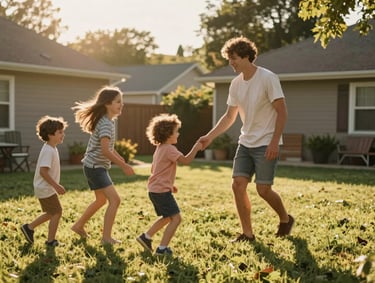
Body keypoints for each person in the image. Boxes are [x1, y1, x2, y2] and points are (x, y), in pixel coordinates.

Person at [199, 36, 294, 242]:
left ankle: (285, 219)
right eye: (229, 59)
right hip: (246, 142)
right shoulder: (235, 84)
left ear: (246, 56)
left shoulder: (268, 78)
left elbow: (282, 112)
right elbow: (229, 116)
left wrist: (274, 141)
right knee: (237, 185)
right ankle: (247, 234)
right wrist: (209, 136)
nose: (230, 63)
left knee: (263, 190)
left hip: (266, 141)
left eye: (233, 58)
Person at [71, 86, 135, 245]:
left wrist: (123, 162)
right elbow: (106, 151)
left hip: (93, 166)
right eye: (118, 102)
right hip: (96, 167)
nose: (122, 105)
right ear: (107, 104)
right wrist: (123, 166)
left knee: (101, 200)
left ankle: (78, 225)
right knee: (115, 200)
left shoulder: (106, 121)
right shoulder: (106, 124)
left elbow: (109, 149)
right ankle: (106, 238)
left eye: (122, 102)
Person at [136, 113, 202, 255]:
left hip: (155, 190)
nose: (178, 134)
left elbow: (156, 170)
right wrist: (196, 148)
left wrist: (169, 185)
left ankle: (145, 237)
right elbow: (186, 161)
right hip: (161, 191)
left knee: (167, 217)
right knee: (176, 218)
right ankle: (162, 248)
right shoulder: (170, 149)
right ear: (168, 134)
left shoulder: (159, 149)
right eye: (176, 131)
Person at [21, 115, 68, 247]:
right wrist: (56, 185)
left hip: (45, 187)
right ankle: (50, 241)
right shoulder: (48, 150)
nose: (62, 134)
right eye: (60, 132)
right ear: (50, 134)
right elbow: (43, 171)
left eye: (62, 131)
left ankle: (29, 228)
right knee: (57, 212)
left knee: (51, 212)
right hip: (46, 187)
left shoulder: (52, 148)